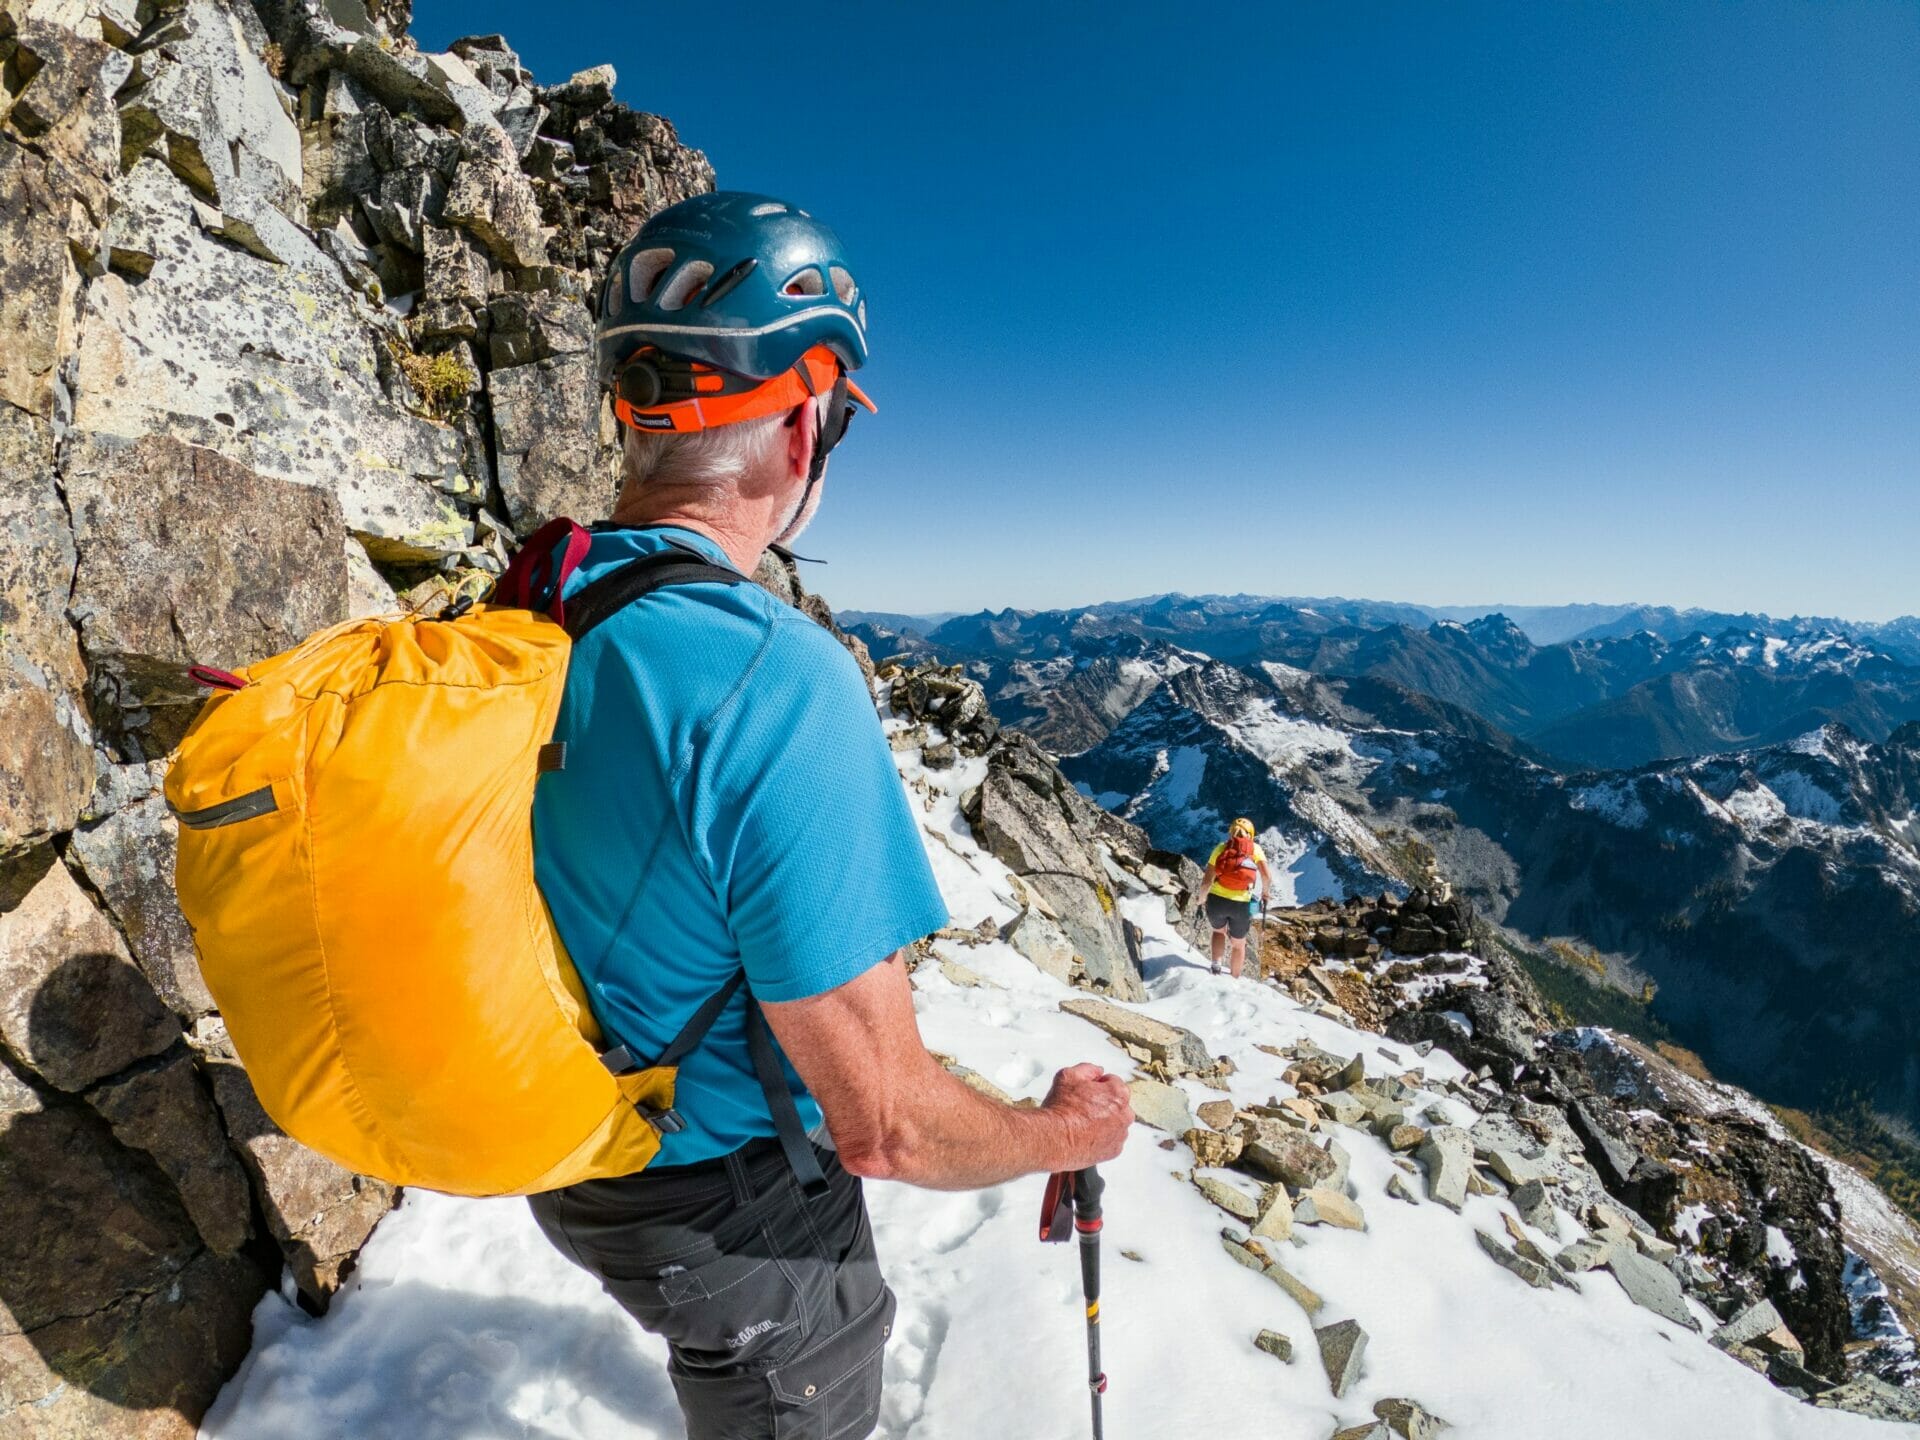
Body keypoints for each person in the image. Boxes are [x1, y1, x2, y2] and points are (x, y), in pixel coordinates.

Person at [523, 191, 1134, 1440]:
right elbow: (888, 1126)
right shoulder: (774, 679)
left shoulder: (543, 605)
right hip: (725, 1214)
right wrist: (1070, 1130)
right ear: (802, 429)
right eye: (838, 425)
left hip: (569, 1149)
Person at [1200, 817, 1274, 979]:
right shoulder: (1255, 850)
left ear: (1231, 832)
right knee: (1239, 945)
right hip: (1241, 905)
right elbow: (1266, 876)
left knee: (1219, 932)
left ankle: (1216, 967)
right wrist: (1265, 893)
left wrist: (1201, 899)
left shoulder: (1221, 848)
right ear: (1251, 834)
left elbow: (1207, 881)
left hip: (1216, 900)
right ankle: (1234, 978)